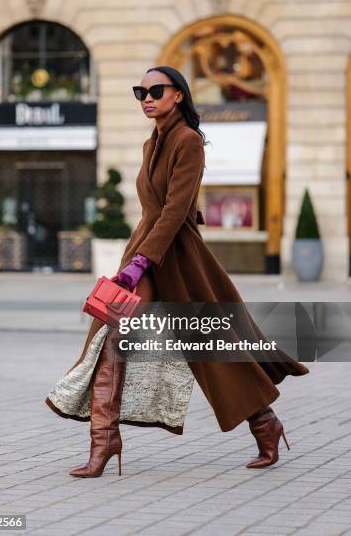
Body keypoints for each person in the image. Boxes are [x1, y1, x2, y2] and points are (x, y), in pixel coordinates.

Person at [48, 65, 309, 477]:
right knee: (111, 338)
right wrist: (139, 259)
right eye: (140, 91)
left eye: (155, 90)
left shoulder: (188, 141)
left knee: (215, 350)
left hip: (176, 258)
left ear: (179, 96)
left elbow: (175, 209)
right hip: (147, 254)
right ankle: (104, 440)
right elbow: (161, 207)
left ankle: (266, 425)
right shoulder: (152, 143)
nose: (146, 97)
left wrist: (140, 261)